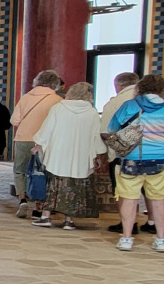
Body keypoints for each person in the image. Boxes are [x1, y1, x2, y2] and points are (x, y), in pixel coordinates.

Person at [31, 82, 107, 230]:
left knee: (53, 185)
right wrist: (99, 154)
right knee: (74, 186)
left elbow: (47, 128)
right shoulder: (91, 112)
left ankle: (46, 217)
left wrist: (39, 143)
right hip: (80, 155)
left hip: (58, 153)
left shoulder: (58, 108)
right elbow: (95, 136)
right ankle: (68, 220)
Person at [106, 73, 164, 253]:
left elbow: (112, 128)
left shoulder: (130, 105)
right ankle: (161, 239)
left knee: (129, 199)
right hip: (160, 159)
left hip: (132, 158)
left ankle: (126, 238)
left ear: (141, 87)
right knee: (158, 200)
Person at [101, 72, 152, 235]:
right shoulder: (153, 101)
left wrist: (106, 152)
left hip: (124, 154)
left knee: (124, 191)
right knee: (151, 190)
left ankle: (129, 223)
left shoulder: (115, 103)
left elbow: (106, 130)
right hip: (153, 152)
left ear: (119, 86)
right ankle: (153, 222)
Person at [11, 70, 64, 218]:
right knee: (42, 172)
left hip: (23, 138)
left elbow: (14, 120)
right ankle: (38, 207)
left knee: (20, 170)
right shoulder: (57, 100)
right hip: (45, 141)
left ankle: (22, 199)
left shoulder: (25, 97)